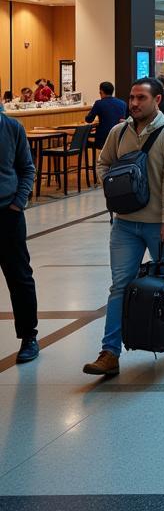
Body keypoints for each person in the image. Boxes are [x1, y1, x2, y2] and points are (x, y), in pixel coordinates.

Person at [84, 77, 164, 376]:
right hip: (125, 224)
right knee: (119, 287)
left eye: (141, 98)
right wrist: (114, 185)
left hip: (158, 224)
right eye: (131, 97)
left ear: (157, 101)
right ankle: (109, 353)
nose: (134, 103)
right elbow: (102, 164)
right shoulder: (119, 132)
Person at [0, 87, 39, 364]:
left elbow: (27, 168)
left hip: (8, 213)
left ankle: (29, 336)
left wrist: (17, 204)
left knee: (19, 277)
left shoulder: (12, 128)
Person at [85, 82, 128, 148]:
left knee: (84, 141)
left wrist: (87, 114)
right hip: (120, 137)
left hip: (103, 139)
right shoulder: (123, 103)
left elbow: (89, 120)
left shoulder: (99, 103)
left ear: (101, 91)